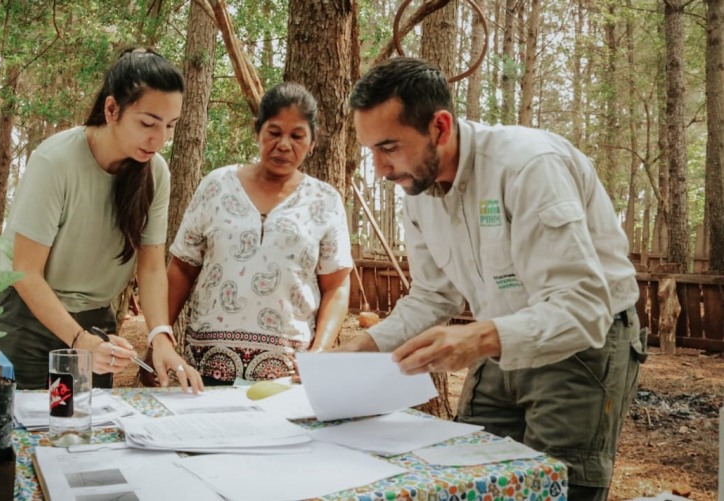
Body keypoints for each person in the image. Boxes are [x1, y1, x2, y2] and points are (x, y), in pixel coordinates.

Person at [344, 57, 647, 500]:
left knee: (560, 488)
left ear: (440, 128)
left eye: (389, 148)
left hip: (582, 347)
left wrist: (480, 340)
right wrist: (364, 346)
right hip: (494, 344)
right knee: (469, 481)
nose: (380, 170)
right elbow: (432, 295)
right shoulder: (418, 188)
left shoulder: (528, 166)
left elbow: (583, 308)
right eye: (371, 151)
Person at [0, 48, 202, 393]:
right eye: (147, 123)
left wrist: (161, 336)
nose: (159, 139)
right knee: (35, 430)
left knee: (85, 430)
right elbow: (25, 271)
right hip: (28, 320)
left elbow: (150, 268)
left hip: (96, 325)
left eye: (170, 126)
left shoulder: (156, 173)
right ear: (112, 109)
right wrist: (77, 339)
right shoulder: (56, 161)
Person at [166, 82, 353, 386]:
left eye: (297, 136)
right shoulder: (217, 186)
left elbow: (337, 286)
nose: (283, 144)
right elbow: (182, 268)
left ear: (313, 142)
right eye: (274, 132)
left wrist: (320, 351)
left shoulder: (325, 200)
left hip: (288, 377)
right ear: (258, 132)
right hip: (208, 370)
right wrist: (159, 337)